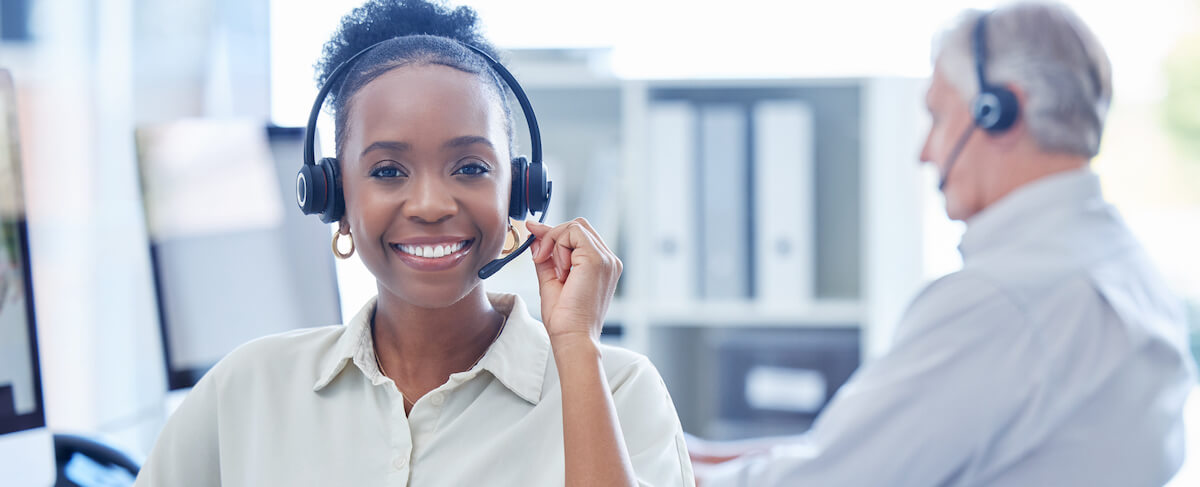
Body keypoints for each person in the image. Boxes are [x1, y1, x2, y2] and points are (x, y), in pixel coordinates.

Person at [135, 1, 694, 485]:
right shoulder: (247, 391)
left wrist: (576, 347)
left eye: (471, 166)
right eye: (386, 171)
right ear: (334, 199)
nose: (430, 204)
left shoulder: (617, 388)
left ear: (519, 194)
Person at [695, 2, 1196, 486]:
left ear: (999, 111)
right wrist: (694, 454)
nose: (924, 153)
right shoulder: (1127, 267)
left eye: (936, 116)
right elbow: (851, 453)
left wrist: (644, 471)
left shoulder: (999, 301)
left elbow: (823, 480)